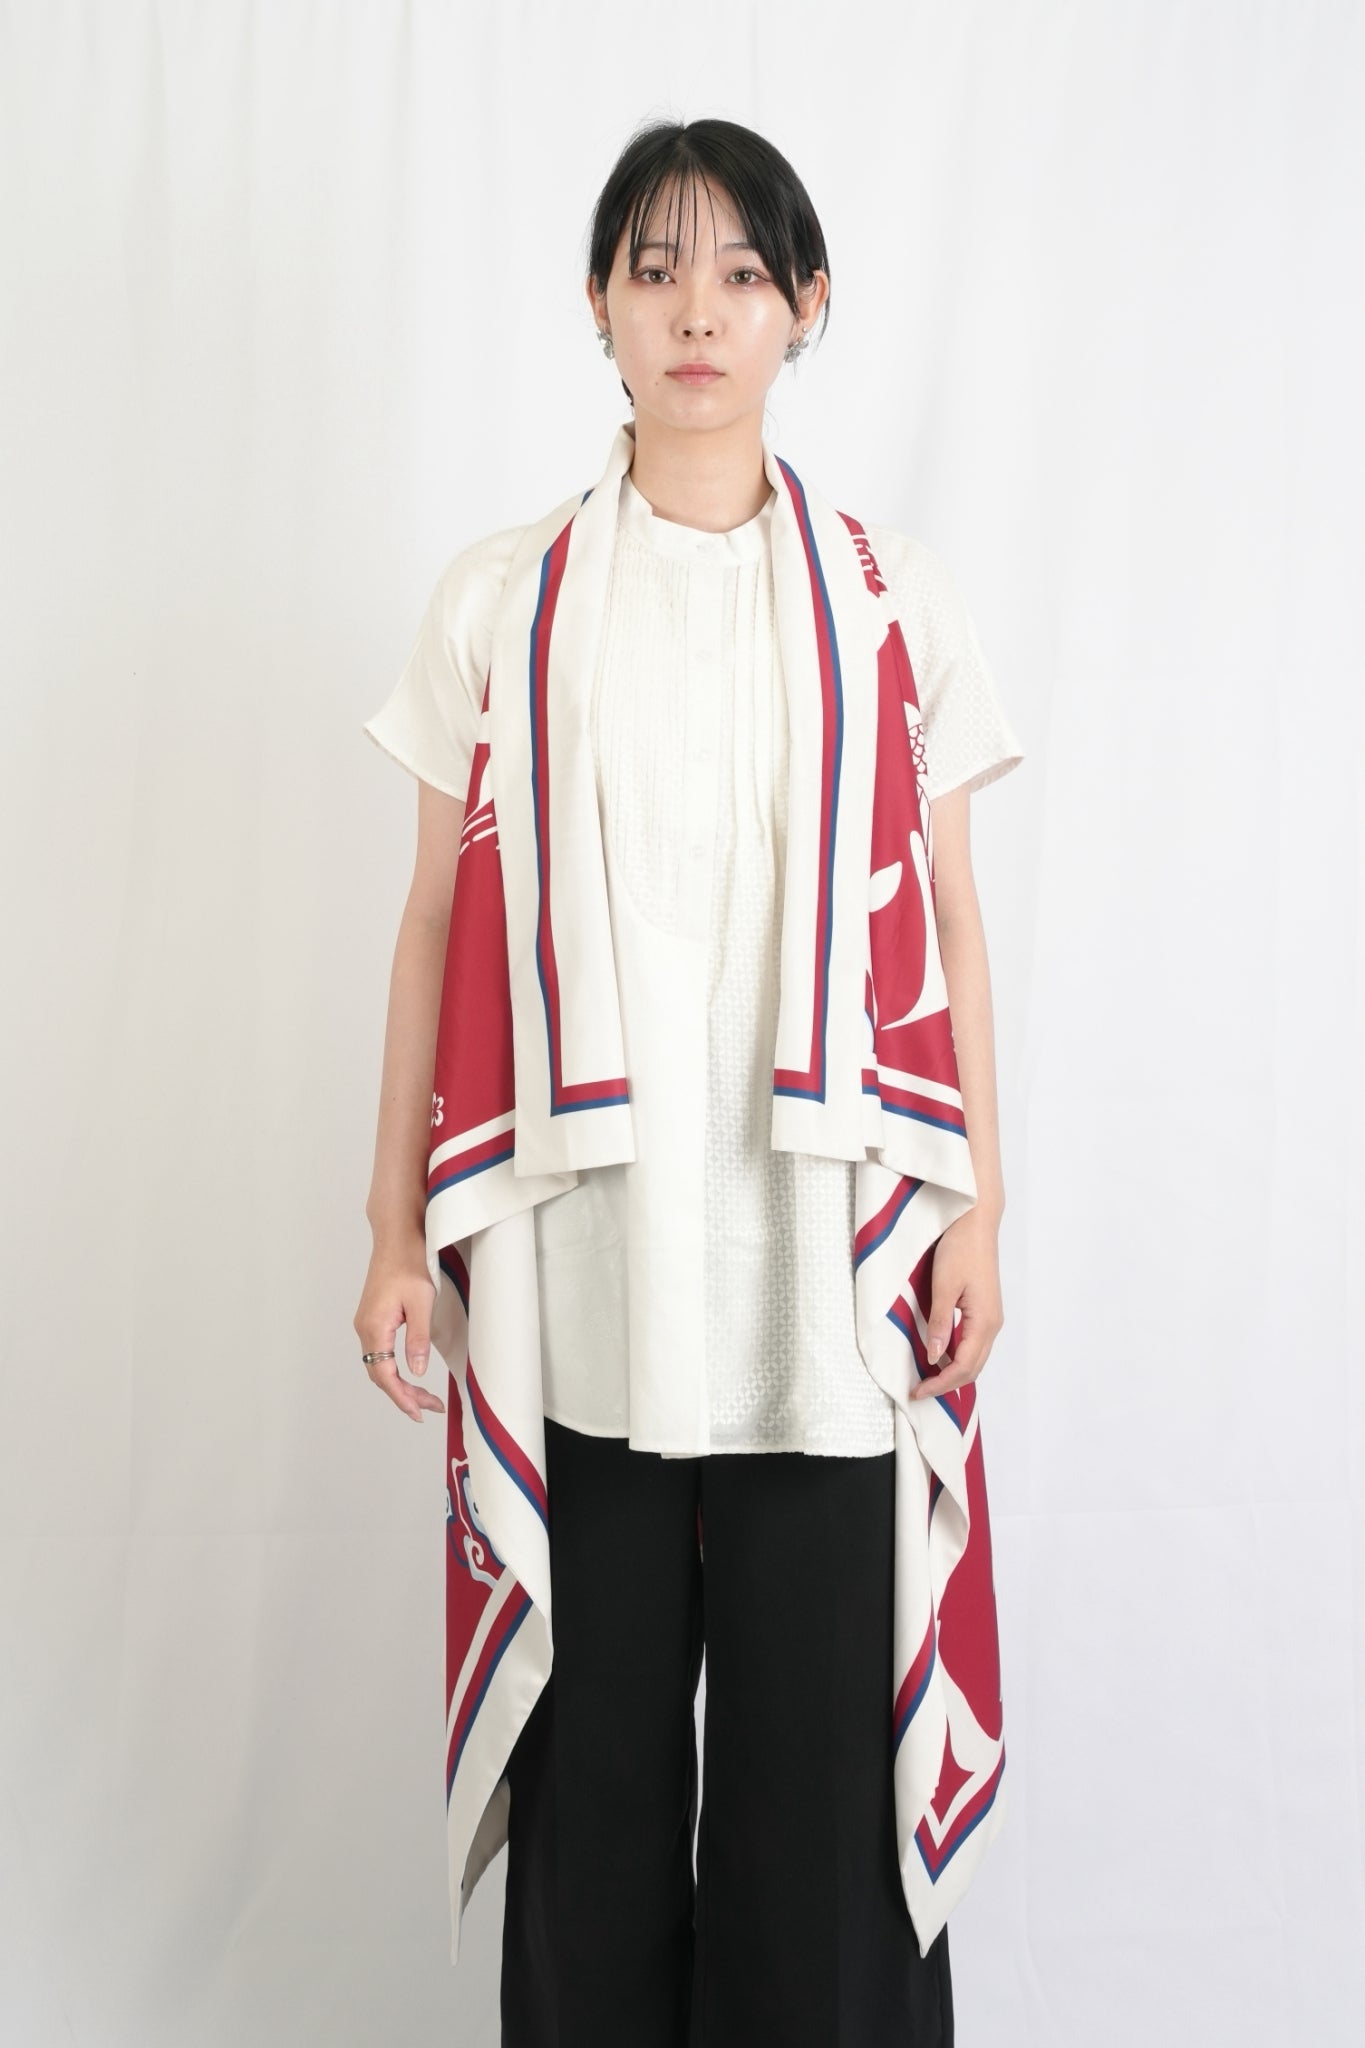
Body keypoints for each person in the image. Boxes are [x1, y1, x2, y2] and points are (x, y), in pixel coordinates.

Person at [355, 116, 1023, 2048]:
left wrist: (981, 1209)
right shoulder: (503, 599)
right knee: (600, 1810)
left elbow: (950, 920)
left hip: (821, 1289)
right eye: (654, 270)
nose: (697, 313)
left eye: (740, 272)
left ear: (806, 304)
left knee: (818, 1829)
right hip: (586, 1291)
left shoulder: (888, 597)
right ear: (598, 304)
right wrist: (391, 1231)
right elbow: (434, 921)